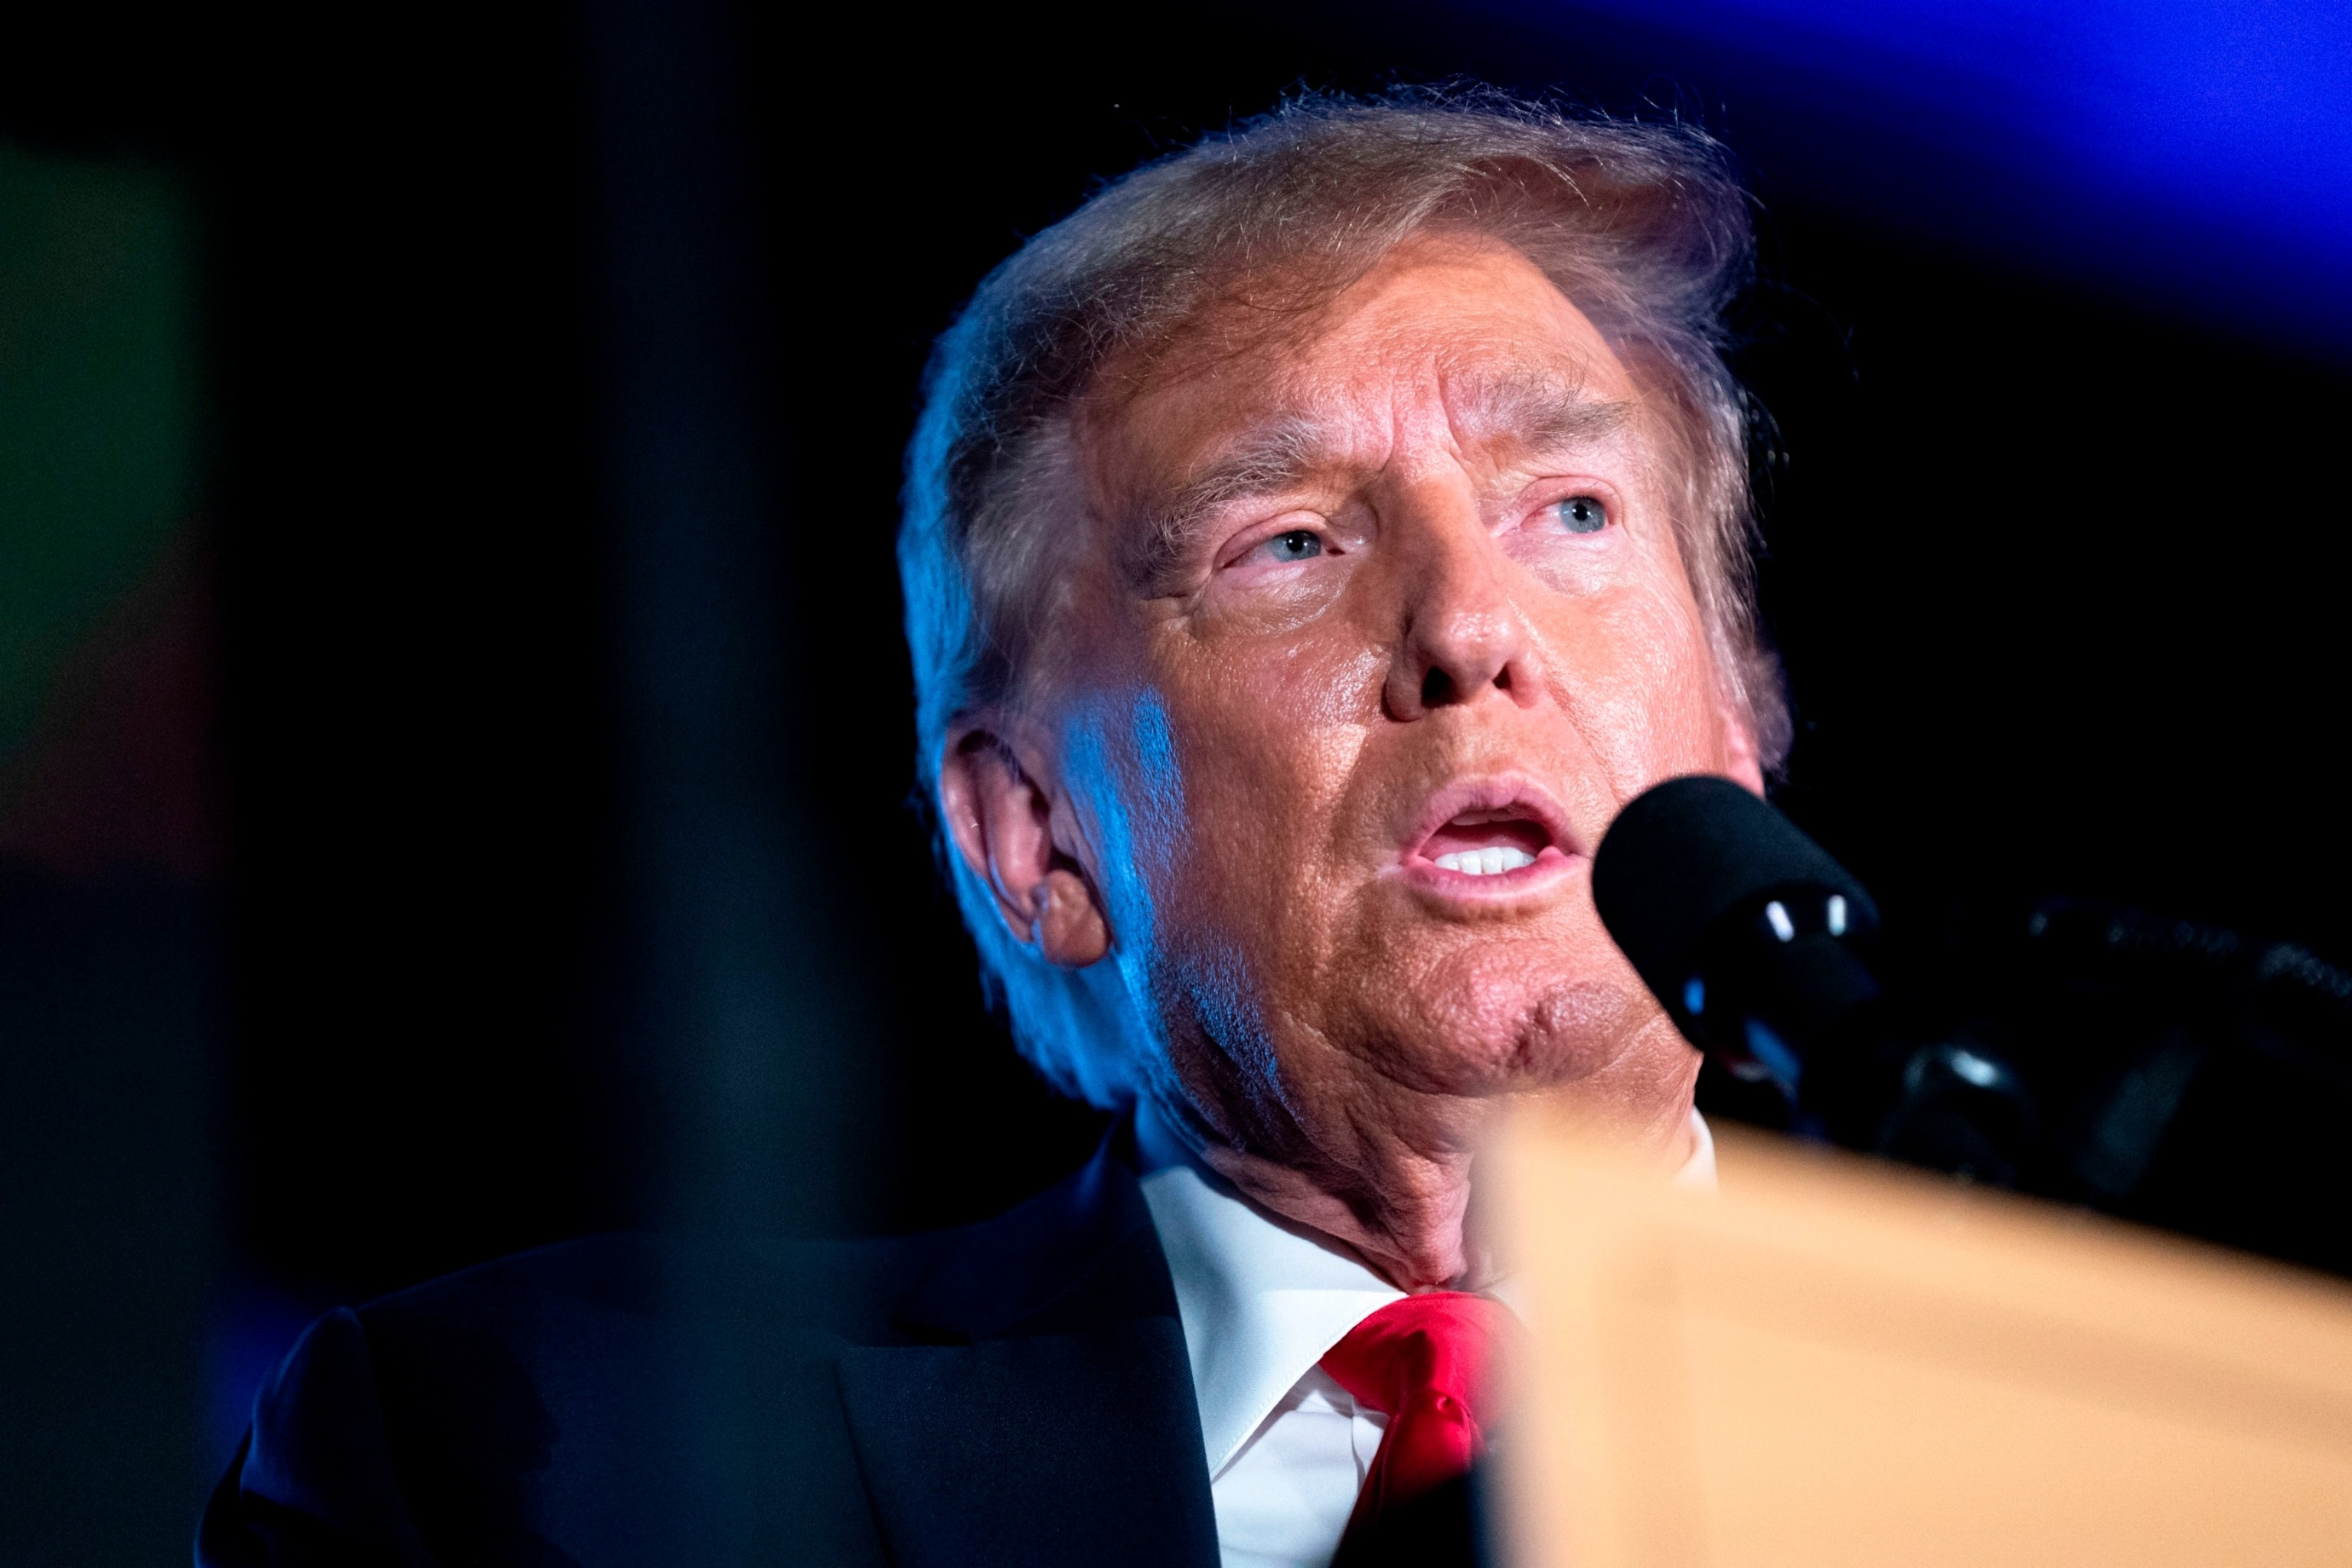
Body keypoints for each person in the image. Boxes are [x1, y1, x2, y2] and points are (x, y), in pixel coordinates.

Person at [198, 87, 1785, 1568]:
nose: (1468, 623)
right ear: (1033, 833)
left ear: (1737, 732)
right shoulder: (528, 1453)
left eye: (1573, 510)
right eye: (1289, 543)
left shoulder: (2027, 1434)